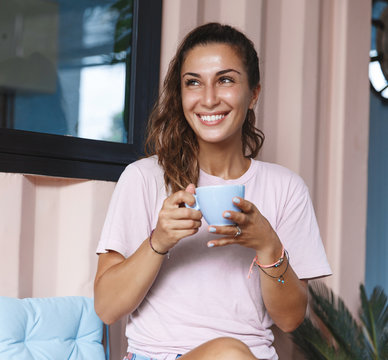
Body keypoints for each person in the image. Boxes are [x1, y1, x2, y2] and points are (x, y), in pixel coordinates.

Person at [93, 22, 332, 360]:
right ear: (181, 95)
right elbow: (106, 308)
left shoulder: (286, 188)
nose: (208, 99)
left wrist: (268, 246)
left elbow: (290, 320)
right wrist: (158, 241)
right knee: (231, 354)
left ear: (253, 94)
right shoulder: (144, 178)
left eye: (225, 80)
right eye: (194, 83)